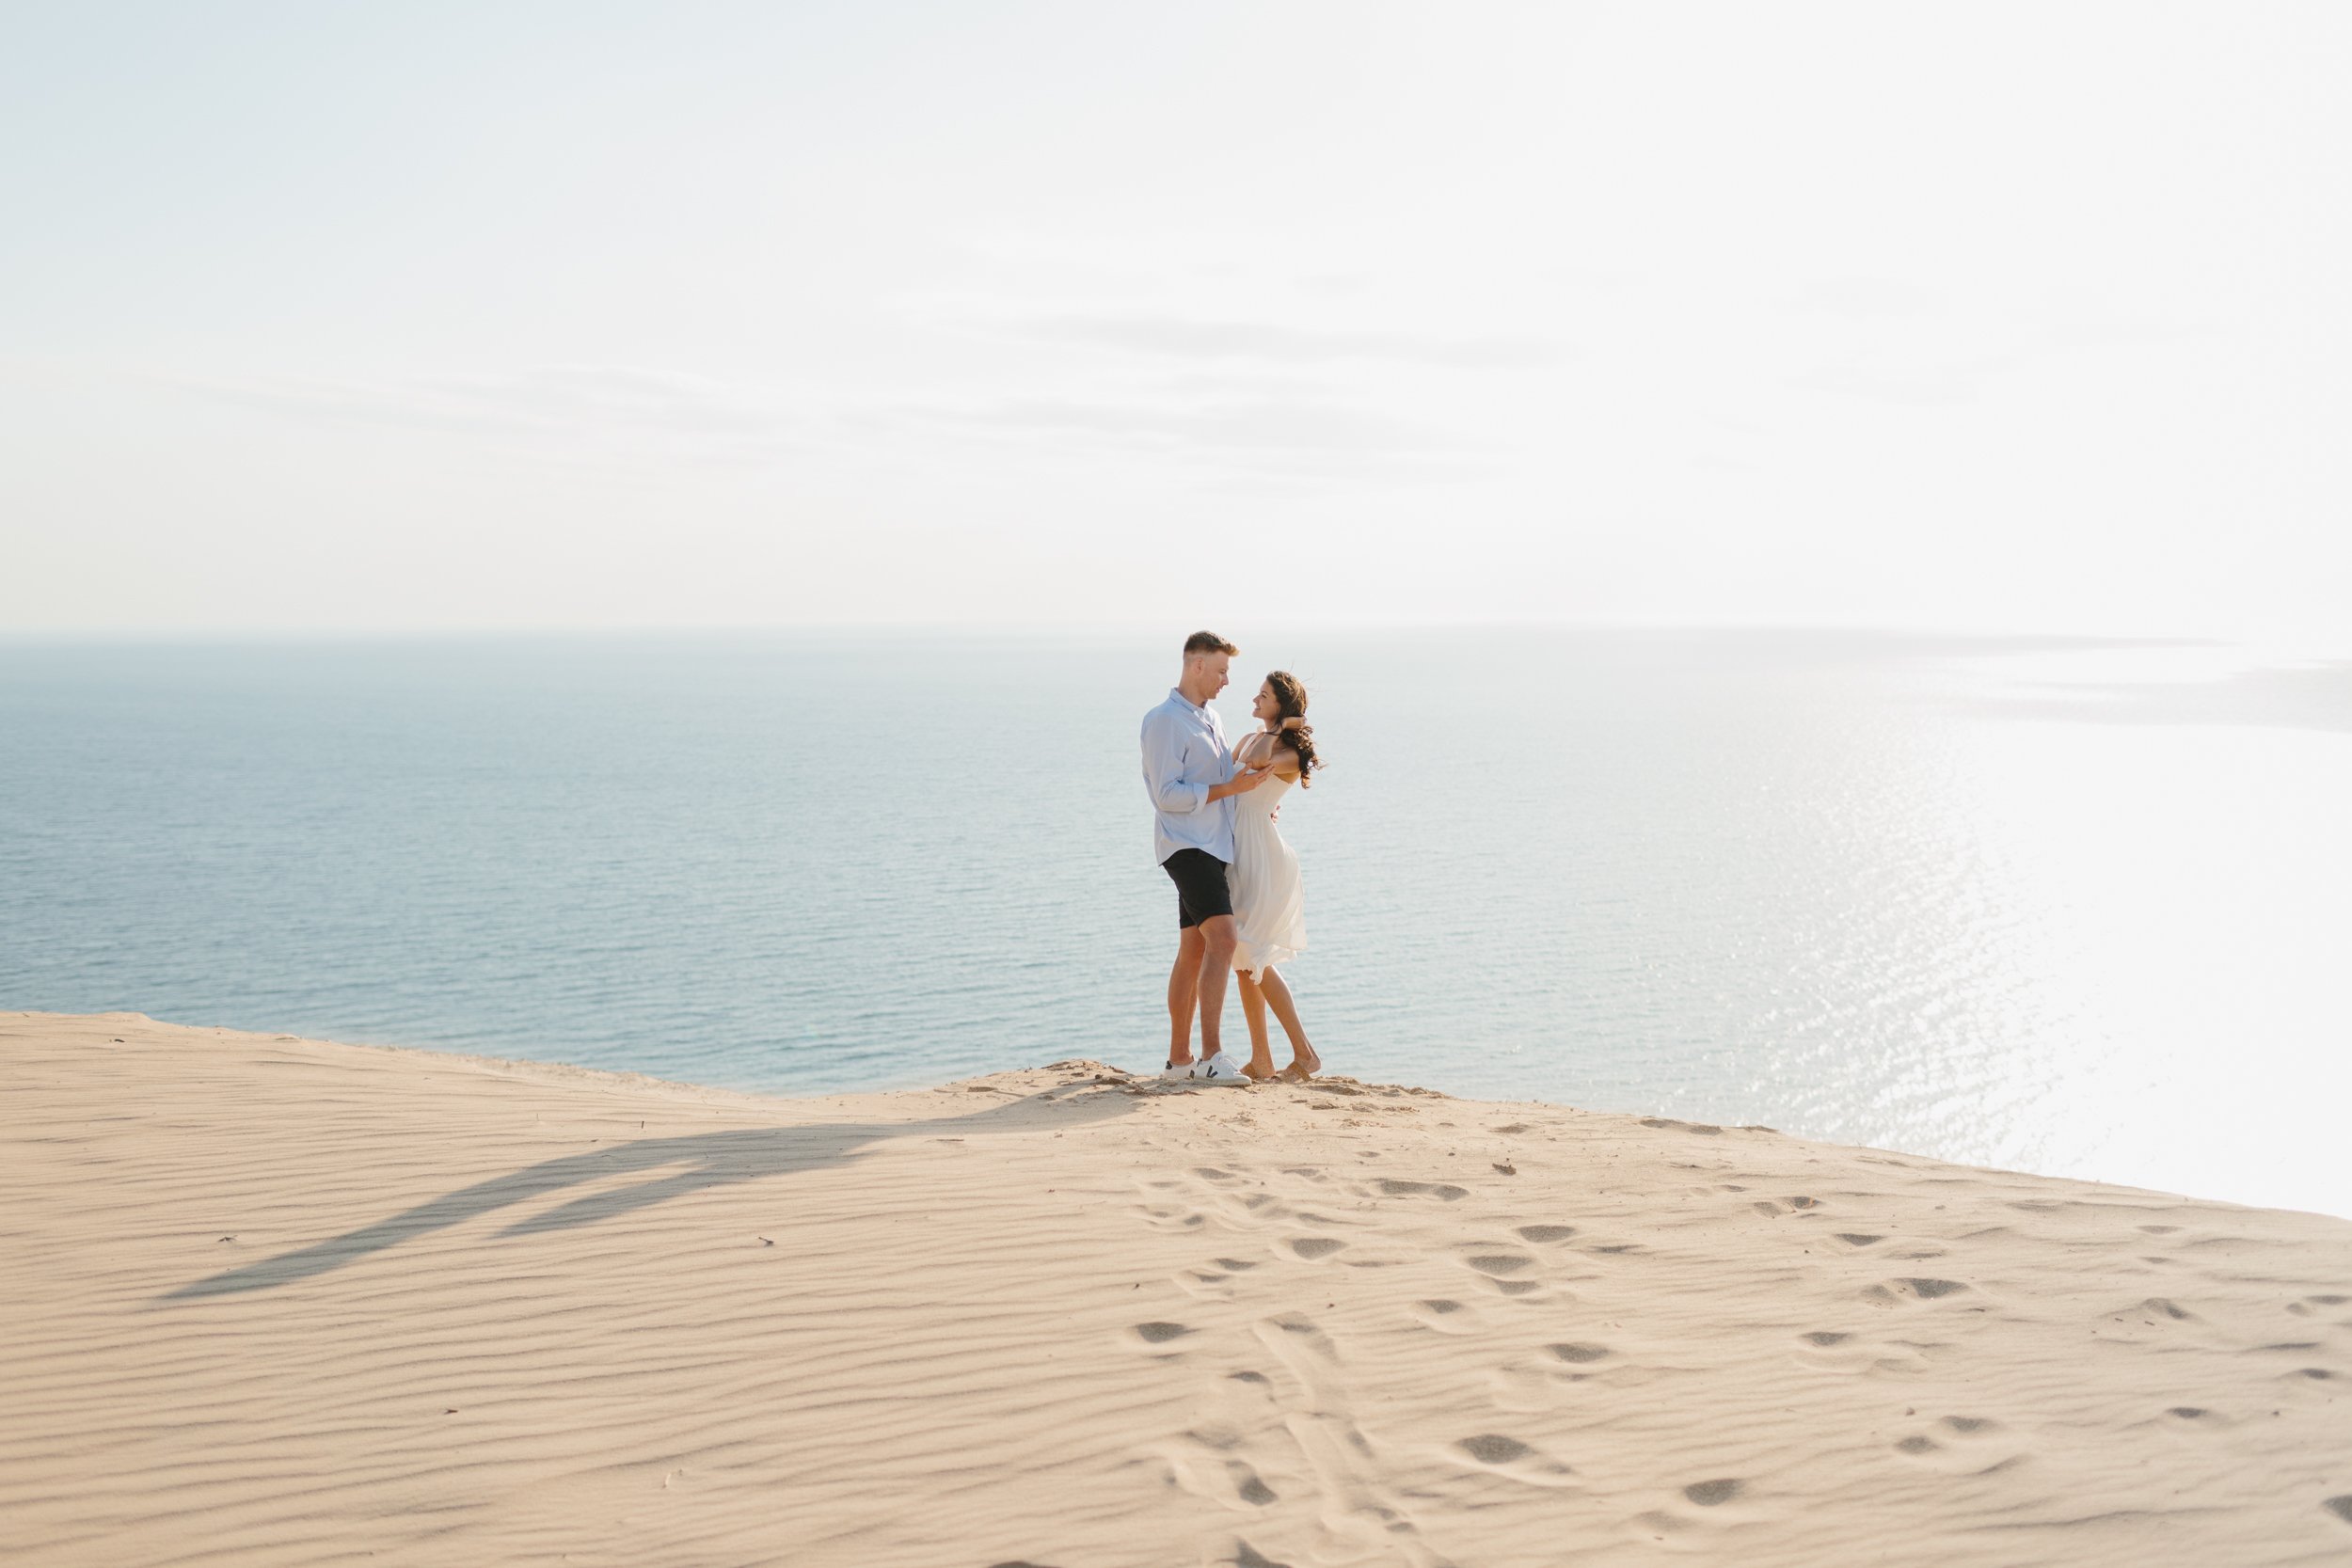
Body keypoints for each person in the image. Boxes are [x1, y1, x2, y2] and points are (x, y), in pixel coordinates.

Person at [1139, 631, 1269, 1085]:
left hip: (1215, 845)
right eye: (1221, 671)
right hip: (1186, 845)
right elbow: (1166, 794)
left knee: (1194, 949)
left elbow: (1219, 779)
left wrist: (1250, 795)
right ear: (1196, 666)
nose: (1226, 681)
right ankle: (1213, 1056)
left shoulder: (1209, 717)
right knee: (1224, 941)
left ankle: (1179, 1063)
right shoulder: (1163, 721)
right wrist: (1230, 789)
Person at [1229, 671, 1323, 1082]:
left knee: (1255, 955)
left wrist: (1282, 728)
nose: (1255, 698)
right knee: (1241, 960)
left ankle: (1305, 1055)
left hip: (1260, 856)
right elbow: (1230, 776)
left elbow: (1255, 763)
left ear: (1280, 708)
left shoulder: (1287, 753)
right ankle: (1262, 1059)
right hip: (1235, 850)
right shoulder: (1252, 736)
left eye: (1263, 696)